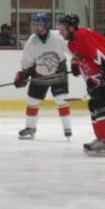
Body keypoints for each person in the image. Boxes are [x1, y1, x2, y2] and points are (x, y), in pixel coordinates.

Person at [58, 13, 105, 157]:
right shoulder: (72, 43)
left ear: (72, 28)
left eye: (62, 28)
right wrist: (75, 64)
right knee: (94, 103)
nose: (60, 31)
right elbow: (82, 57)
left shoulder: (82, 34)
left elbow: (100, 54)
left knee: (100, 103)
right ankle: (102, 138)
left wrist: (104, 73)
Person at [13, 12, 72, 140]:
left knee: (61, 100)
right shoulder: (32, 40)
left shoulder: (57, 37)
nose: (36, 27)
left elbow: (72, 50)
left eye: (39, 24)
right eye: (35, 24)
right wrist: (24, 73)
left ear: (47, 24)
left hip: (58, 73)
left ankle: (67, 128)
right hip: (39, 74)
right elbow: (27, 60)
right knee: (32, 101)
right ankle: (30, 128)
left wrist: (77, 62)